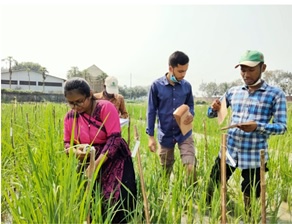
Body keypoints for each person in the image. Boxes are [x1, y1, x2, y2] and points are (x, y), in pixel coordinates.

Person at [206, 50, 287, 215]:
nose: (246, 74)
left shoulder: (275, 95)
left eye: (251, 70)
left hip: (255, 155)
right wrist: (213, 108)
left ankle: (249, 217)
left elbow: (282, 126)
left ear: (263, 68)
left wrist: (257, 126)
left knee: (251, 191)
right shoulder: (233, 92)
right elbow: (211, 113)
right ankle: (207, 210)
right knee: (214, 180)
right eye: (243, 69)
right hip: (229, 150)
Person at [63, 77, 137, 223]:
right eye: (71, 103)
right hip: (87, 160)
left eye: (80, 101)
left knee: (117, 202)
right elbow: (67, 144)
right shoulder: (70, 117)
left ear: (89, 95)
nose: (76, 106)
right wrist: (76, 152)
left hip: (113, 158)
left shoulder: (105, 108)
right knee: (90, 203)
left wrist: (95, 165)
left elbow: (114, 139)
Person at [146, 51, 197, 183]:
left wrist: (191, 113)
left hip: (184, 132)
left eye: (185, 71)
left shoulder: (187, 86)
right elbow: (151, 111)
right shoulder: (156, 86)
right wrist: (151, 137)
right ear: (170, 68)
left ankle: (190, 197)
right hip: (166, 134)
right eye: (180, 71)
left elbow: (190, 105)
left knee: (190, 167)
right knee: (165, 172)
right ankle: (165, 196)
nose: (183, 74)